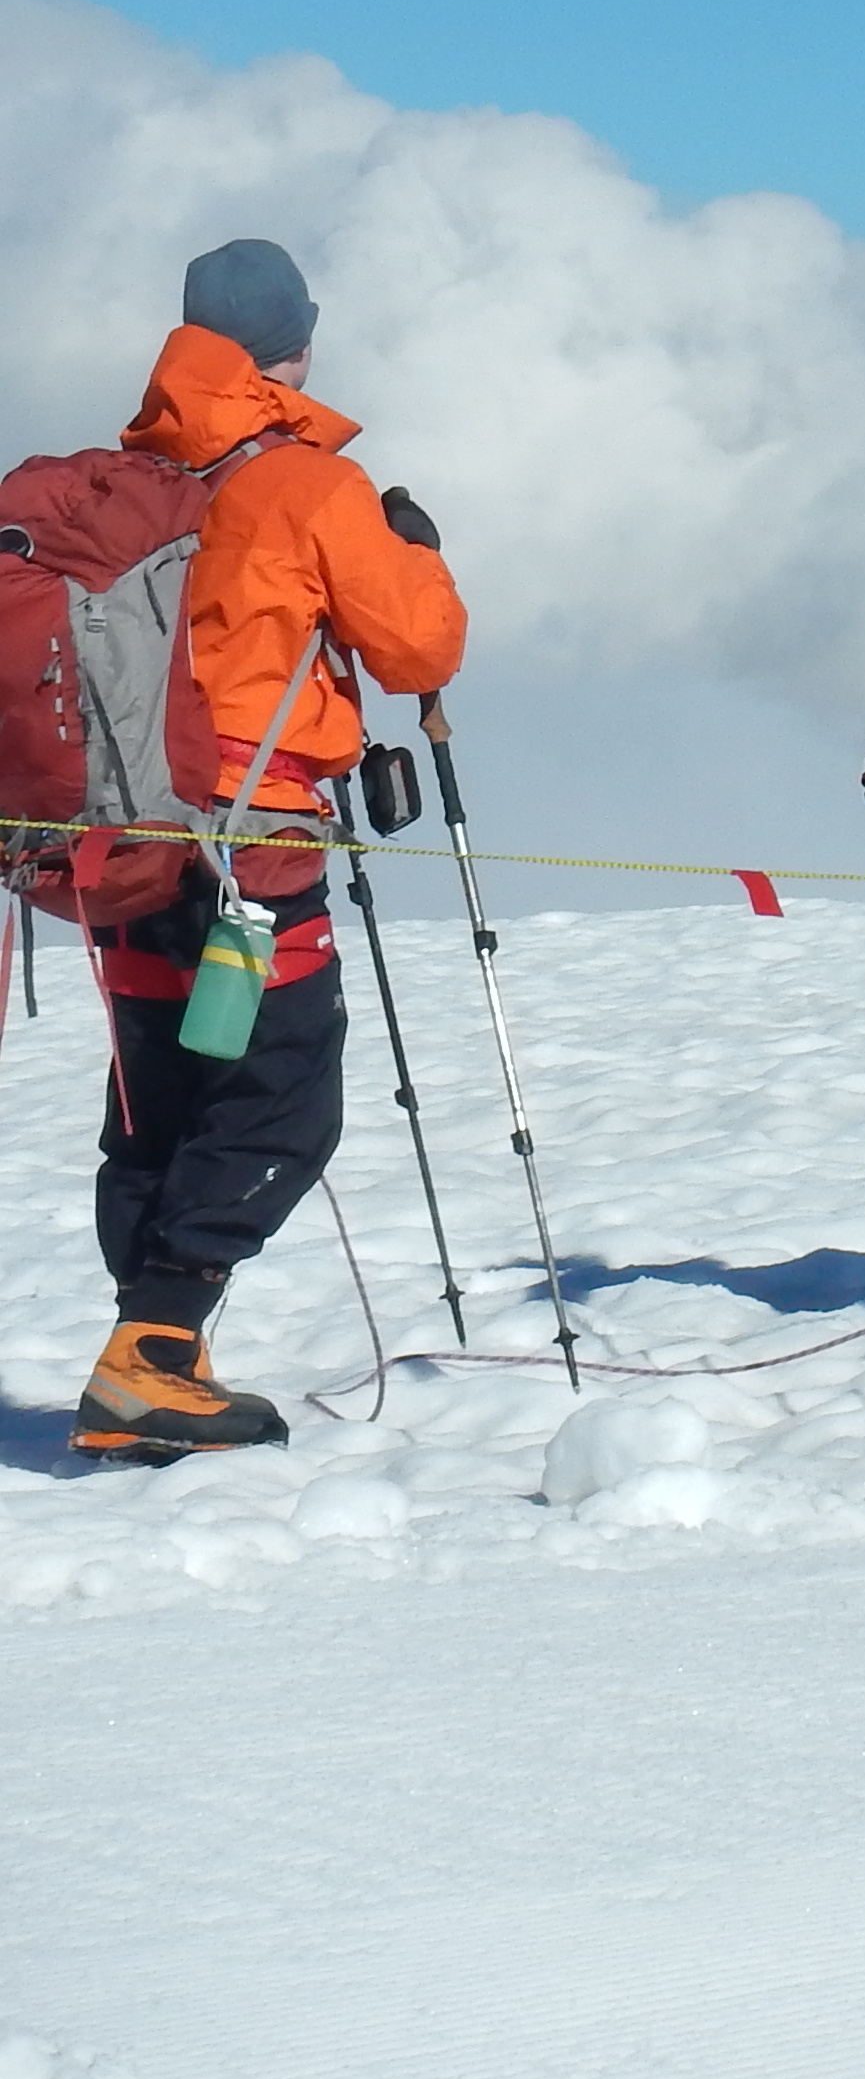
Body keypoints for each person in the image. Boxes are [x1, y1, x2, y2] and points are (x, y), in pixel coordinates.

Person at [79, 240, 469, 1463]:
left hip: (116, 845)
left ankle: (152, 1357)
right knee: (279, 1096)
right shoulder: (304, 484)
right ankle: (150, 1360)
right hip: (251, 849)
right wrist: (415, 551)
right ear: (293, 347)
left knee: (159, 1099)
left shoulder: (119, 482)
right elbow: (418, 650)